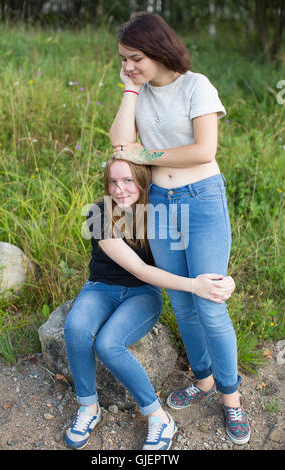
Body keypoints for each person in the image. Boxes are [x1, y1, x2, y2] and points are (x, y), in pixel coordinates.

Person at [110, 12, 250, 445]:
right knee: (182, 302)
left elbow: (203, 150)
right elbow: (119, 144)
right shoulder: (140, 91)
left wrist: (145, 152)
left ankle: (232, 399)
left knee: (208, 300)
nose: (129, 65)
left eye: (135, 58)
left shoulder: (196, 85)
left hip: (202, 200)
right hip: (162, 206)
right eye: (123, 60)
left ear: (158, 49)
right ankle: (204, 379)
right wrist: (131, 90)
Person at [64, 158, 235, 450]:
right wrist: (196, 286)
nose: (120, 189)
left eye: (128, 180)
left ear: (143, 180)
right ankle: (88, 408)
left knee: (108, 344)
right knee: (75, 328)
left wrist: (222, 281)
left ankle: (158, 417)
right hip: (100, 288)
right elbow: (139, 268)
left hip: (142, 295)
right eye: (113, 182)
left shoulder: (160, 214)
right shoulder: (99, 213)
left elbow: (193, 257)